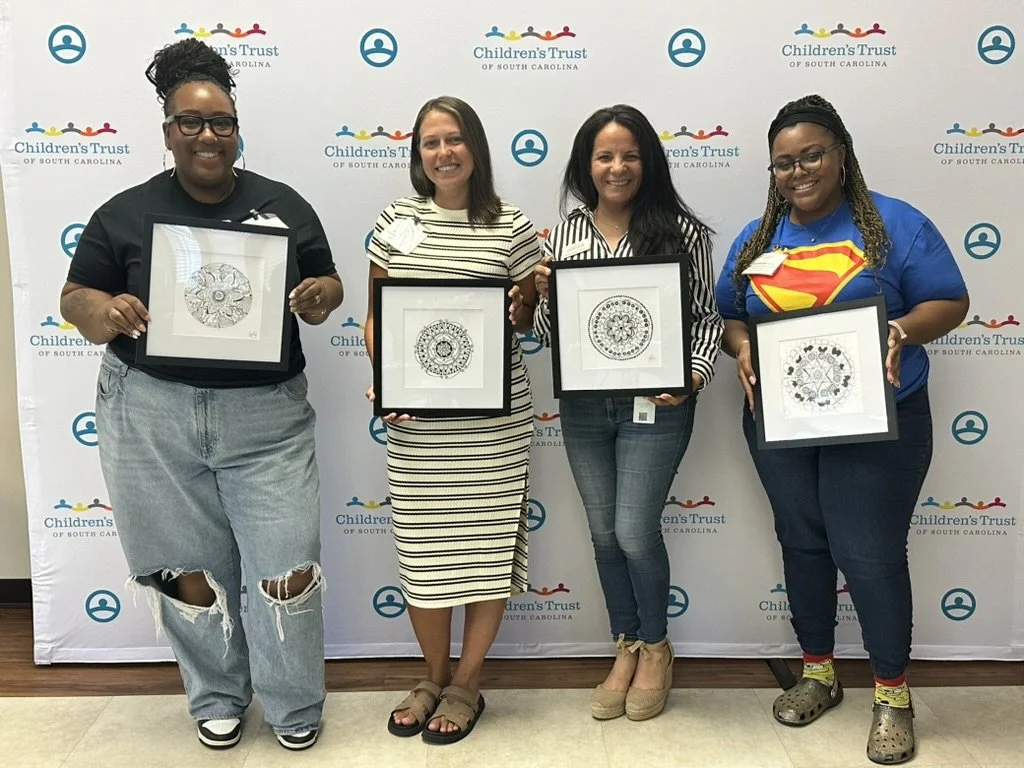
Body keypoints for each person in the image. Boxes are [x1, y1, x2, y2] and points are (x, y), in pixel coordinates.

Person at [59, 40, 342, 752]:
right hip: (150, 410)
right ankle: (216, 695)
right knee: (189, 571)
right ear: (168, 131)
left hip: (267, 419)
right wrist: (106, 311)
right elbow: (74, 297)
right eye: (191, 122)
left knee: (288, 568)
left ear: (237, 128)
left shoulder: (284, 205)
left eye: (221, 122)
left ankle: (292, 701)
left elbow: (329, 283)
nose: (207, 135)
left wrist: (317, 296)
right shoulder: (123, 213)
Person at [715, 94, 969, 765]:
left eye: (811, 155)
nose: (797, 171)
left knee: (869, 553)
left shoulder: (894, 224)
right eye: (782, 163)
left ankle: (891, 693)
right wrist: (739, 345)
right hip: (782, 421)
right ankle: (819, 674)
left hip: (879, 423)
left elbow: (950, 299)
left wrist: (900, 330)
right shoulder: (756, 239)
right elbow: (728, 315)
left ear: (841, 154)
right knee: (801, 542)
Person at [533, 105, 723, 721]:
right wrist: (541, 293)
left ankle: (659, 648)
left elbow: (707, 318)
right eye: (604, 156)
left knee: (636, 530)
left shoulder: (682, 232)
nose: (617, 167)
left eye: (630, 155)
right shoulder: (561, 236)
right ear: (585, 165)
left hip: (659, 405)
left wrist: (692, 375)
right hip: (585, 408)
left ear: (648, 162)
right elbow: (548, 333)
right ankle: (628, 644)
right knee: (604, 534)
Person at [364, 96, 541, 744]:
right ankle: (431, 675)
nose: (443, 152)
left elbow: (527, 322)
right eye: (430, 142)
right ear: (418, 154)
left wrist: (527, 302)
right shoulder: (396, 221)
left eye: (455, 139)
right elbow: (377, 316)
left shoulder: (512, 226)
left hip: (493, 426)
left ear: (476, 148)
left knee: (485, 554)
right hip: (417, 423)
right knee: (424, 558)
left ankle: (466, 683)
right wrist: (389, 383)